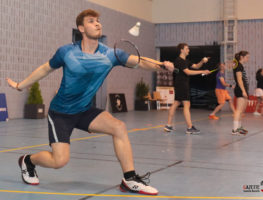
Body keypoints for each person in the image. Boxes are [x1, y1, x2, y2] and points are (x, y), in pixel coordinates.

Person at [6, 9, 174, 195]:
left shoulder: (110, 55)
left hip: (84, 110)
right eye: (91, 21)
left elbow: (139, 61)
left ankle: (130, 178)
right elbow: (45, 69)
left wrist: (160, 66)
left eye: (98, 21)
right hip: (61, 113)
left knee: (118, 127)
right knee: (59, 161)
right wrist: (21, 85)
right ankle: (28, 161)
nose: (97, 24)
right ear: (81, 28)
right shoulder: (67, 52)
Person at [164, 43, 210, 134]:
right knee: (186, 104)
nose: (188, 50)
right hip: (181, 84)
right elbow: (188, 72)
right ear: (181, 50)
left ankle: (168, 125)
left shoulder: (186, 61)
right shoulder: (179, 60)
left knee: (176, 103)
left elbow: (196, 66)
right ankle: (189, 127)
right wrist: (203, 71)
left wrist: (202, 61)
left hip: (181, 84)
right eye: (187, 48)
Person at [232, 51, 250, 135]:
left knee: (241, 110)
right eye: (247, 57)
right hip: (240, 89)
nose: (248, 59)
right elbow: (239, 80)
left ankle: (239, 127)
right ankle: (235, 129)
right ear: (242, 57)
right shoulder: (238, 66)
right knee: (238, 110)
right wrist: (243, 91)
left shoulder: (240, 66)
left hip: (243, 89)